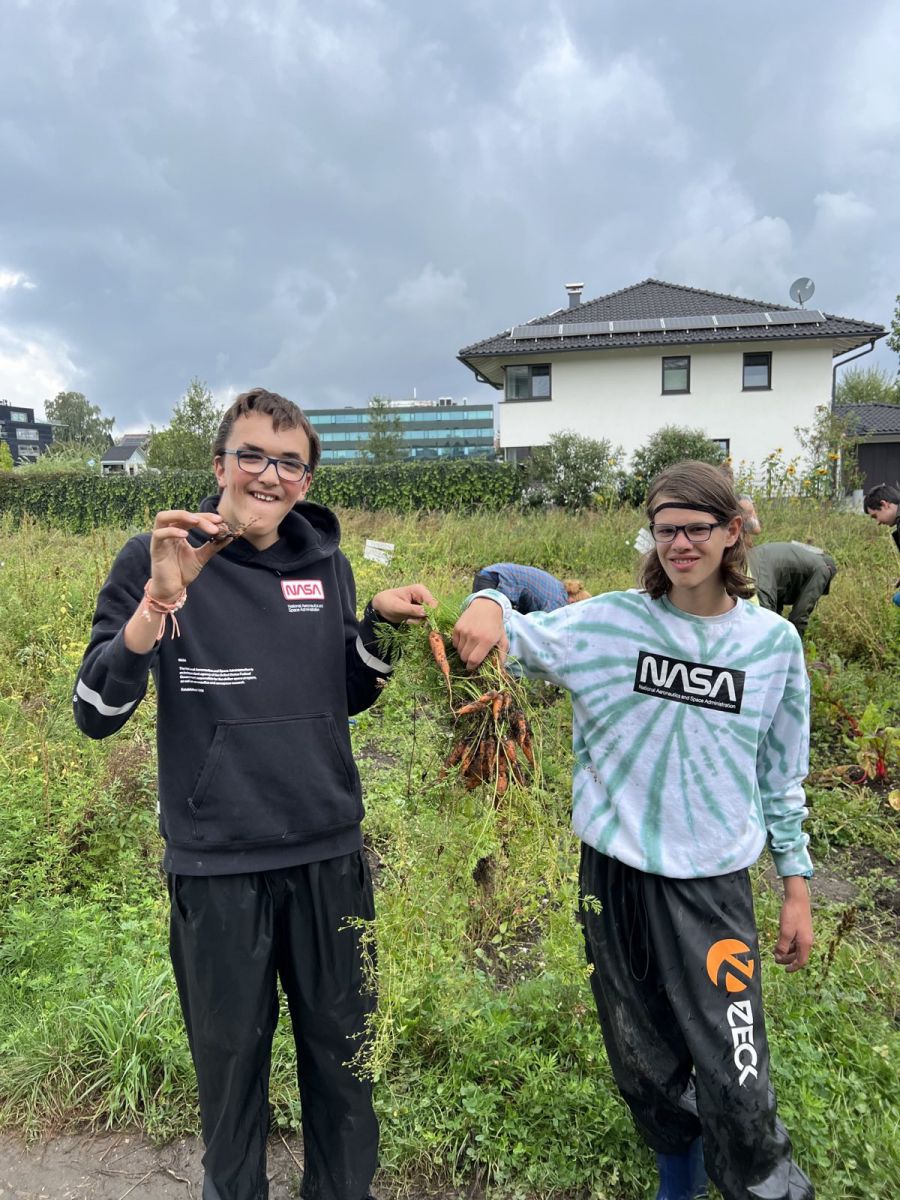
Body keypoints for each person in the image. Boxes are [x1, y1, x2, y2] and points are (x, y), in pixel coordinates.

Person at [73, 388, 435, 1200]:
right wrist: (157, 605)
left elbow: (340, 694)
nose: (270, 476)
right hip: (217, 869)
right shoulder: (155, 559)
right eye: (253, 456)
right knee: (231, 1079)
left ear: (306, 480)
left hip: (329, 859)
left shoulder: (327, 564)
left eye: (289, 463)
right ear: (219, 465)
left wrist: (376, 627)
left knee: (346, 1073)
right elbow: (95, 713)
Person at [453, 461, 814, 1200]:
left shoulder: (772, 645)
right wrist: (489, 595)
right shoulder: (611, 624)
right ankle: (677, 1185)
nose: (680, 544)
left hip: (711, 887)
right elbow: (504, 635)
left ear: (733, 532)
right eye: (665, 529)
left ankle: (765, 1185)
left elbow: (781, 775)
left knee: (737, 1070)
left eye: (697, 528)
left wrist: (796, 886)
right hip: (614, 877)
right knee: (643, 1059)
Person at [748, 542, 838, 638]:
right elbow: (800, 615)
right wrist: (796, 643)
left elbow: (778, 604)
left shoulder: (802, 559)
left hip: (746, 563)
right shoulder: (823, 569)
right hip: (762, 575)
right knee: (765, 632)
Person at [471, 562, 590, 613]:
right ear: (573, 602)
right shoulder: (557, 602)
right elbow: (543, 628)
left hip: (491, 574)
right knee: (482, 627)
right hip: (494, 581)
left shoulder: (558, 588)